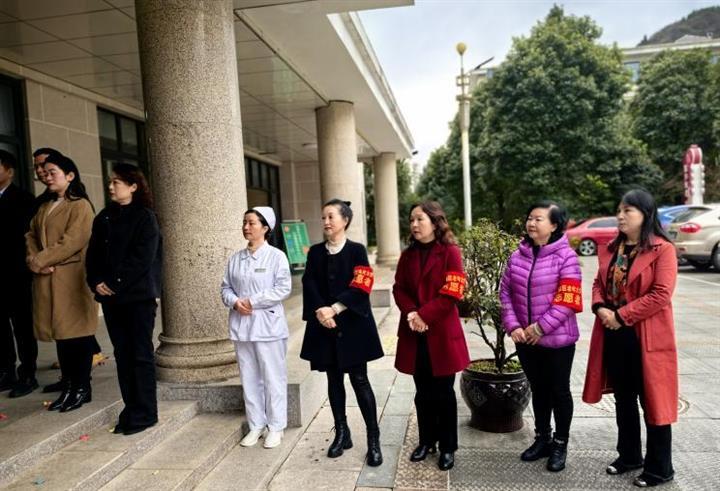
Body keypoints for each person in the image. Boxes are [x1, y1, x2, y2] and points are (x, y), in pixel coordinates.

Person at [583, 189, 678, 488]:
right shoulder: (614, 248)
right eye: (619, 210)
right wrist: (600, 307)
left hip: (646, 337)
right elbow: (598, 283)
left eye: (628, 211)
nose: (621, 216)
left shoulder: (662, 249)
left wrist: (621, 316)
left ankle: (660, 468)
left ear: (645, 215)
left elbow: (661, 294)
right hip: (614, 335)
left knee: (654, 402)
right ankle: (629, 456)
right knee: (624, 399)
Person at [300, 199, 384, 467]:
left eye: (331, 217)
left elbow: (362, 284)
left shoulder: (357, 250)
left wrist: (334, 309)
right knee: (333, 380)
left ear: (345, 220)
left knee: (360, 380)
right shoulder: (315, 252)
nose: (326, 222)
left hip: (353, 326)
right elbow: (309, 283)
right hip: (324, 325)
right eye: (323, 217)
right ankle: (342, 433)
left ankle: (373, 439)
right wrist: (320, 312)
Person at [499, 200, 582, 472]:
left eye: (538, 219)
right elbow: (505, 293)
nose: (531, 223)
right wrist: (514, 326)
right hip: (526, 339)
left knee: (559, 391)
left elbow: (567, 300)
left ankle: (560, 443)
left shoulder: (566, 257)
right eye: (530, 218)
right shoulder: (517, 256)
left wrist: (540, 328)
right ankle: (543, 438)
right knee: (539, 389)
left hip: (557, 341)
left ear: (554, 225)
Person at [393, 201, 470, 471]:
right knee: (422, 392)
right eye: (411, 220)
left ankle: (448, 446)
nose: (414, 225)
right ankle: (426, 441)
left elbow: (453, 291)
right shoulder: (408, 255)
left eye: (420, 219)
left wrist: (425, 315)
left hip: (441, 332)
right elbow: (399, 289)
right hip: (414, 333)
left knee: (444, 393)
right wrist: (412, 314)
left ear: (435, 223)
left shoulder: (450, 252)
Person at [86, 163, 162, 435]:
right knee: (122, 355)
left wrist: (113, 283)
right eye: (110, 181)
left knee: (140, 355)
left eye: (116, 182)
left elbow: (142, 259)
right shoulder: (104, 217)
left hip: (138, 298)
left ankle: (146, 413)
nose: (111, 186)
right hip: (112, 300)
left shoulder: (145, 217)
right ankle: (131, 409)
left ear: (133, 186)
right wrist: (96, 282)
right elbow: (92, 256)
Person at [26, 154, 98, 412]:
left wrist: (39, 260)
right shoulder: (45, 206)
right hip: (48, 278)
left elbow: (72, 241)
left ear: (70, 175)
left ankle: (82, 388)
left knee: (76, 336)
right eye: (44, 172)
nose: (46, 176)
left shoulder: (80, 206)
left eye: (52, 171)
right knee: (62, 337)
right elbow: (30, 235)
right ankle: (69, 385)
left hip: (71, 279)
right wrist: (34, 260)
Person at [221, 206, 291, 449]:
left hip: (268, 326)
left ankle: (276, 426)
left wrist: (252, 301)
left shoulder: (276, 257)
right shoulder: (235, 259)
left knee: (273, 377)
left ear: (265, 227)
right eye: (244, 222)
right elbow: (225, 288)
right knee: (249, 378)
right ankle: (256, 425)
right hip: (242, 327)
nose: (246, 227)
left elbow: (283, 288)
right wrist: (235, 302)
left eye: (251, 223)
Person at [0, 150, 39, 398]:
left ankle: (28, 373)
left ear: (9, 171)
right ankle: (6, 370)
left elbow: (27, 238)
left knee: (23, 327)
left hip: (17, 274)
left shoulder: (24, 200)